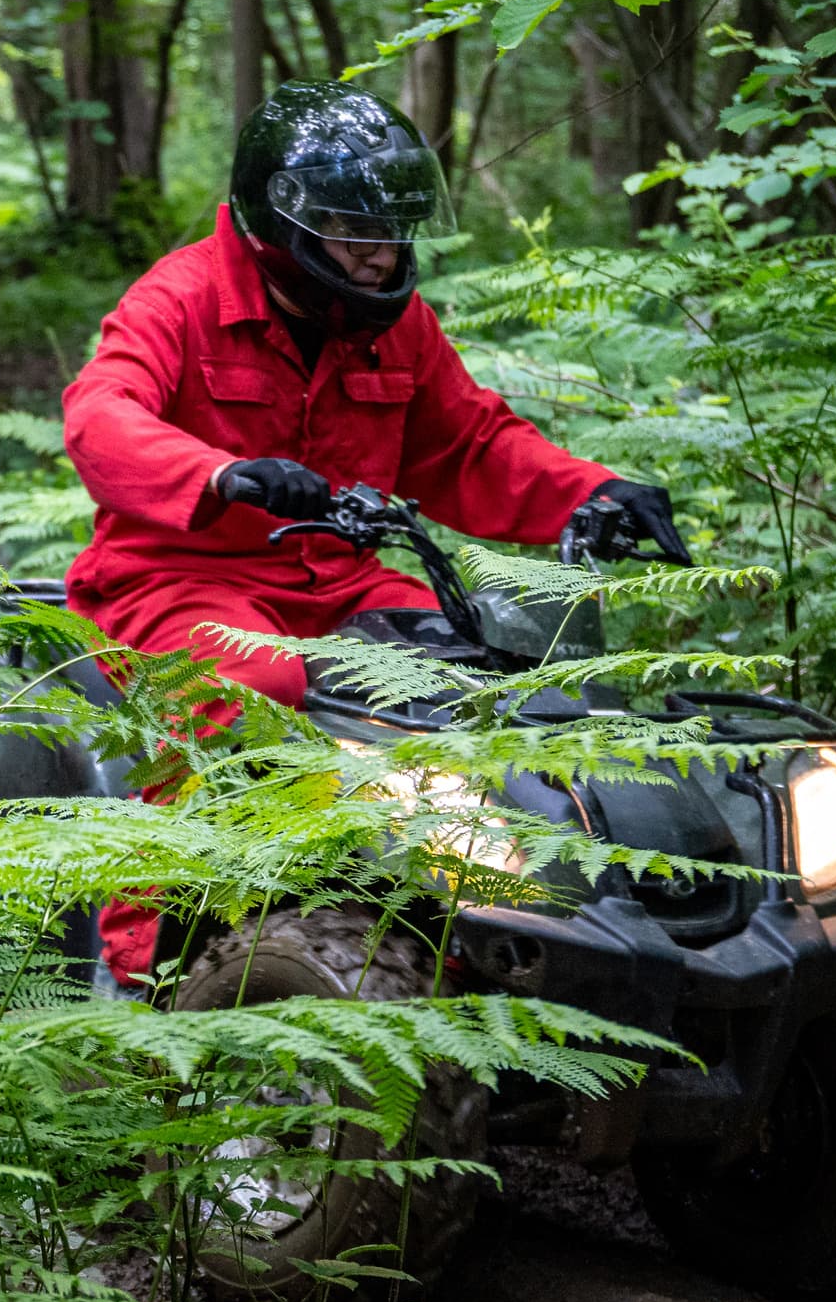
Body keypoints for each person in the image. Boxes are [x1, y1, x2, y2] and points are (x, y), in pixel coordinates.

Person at [62, 80, 692, 983]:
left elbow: (470, 445)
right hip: (175, 576)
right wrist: (218, 474)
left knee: (480, 679)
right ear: (280, 227)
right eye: (354, 233)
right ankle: (146, 961)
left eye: (389, 232)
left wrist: (594, 493)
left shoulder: (395, 329)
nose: (377, 255)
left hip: (342, 586)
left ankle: (492, 919)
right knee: (245, 682)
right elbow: (99, 414)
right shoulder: (182, 297)